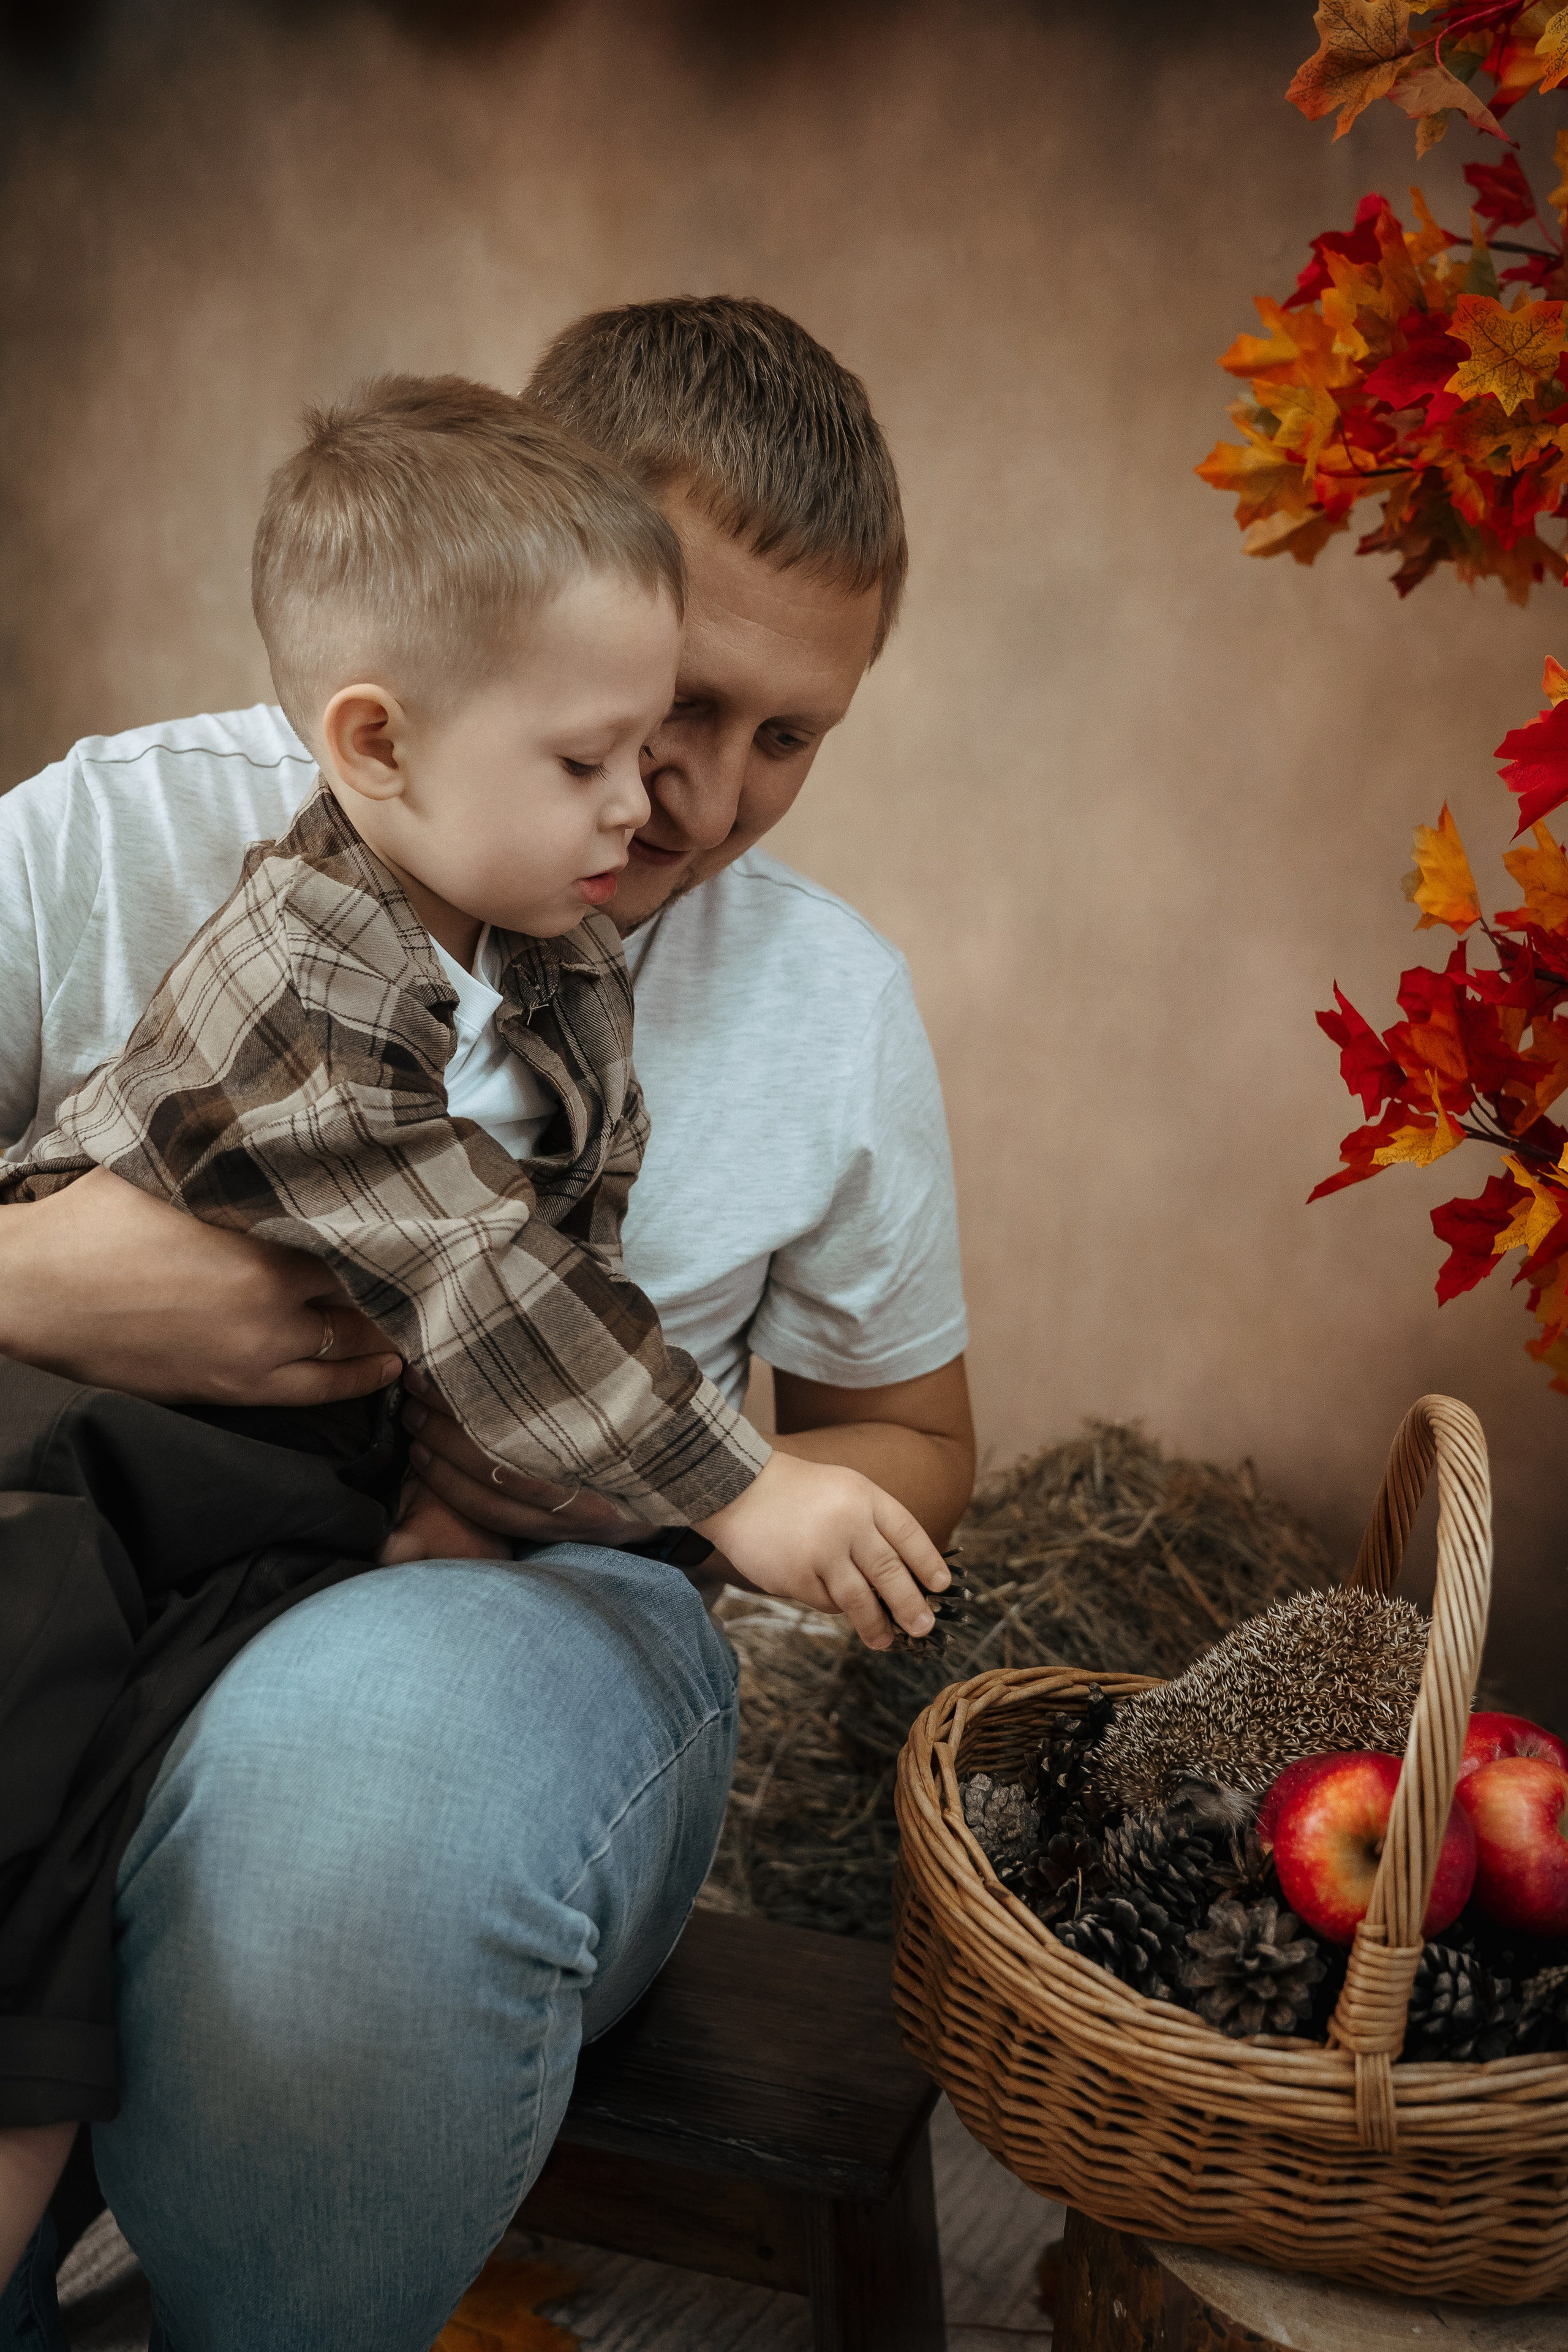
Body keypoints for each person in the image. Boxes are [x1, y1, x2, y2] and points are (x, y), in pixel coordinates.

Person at [0, 296, 974, 2351]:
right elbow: (429, 1233)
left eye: (787, 736)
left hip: (513, 1599)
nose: (695, 800)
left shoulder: (821, 1000)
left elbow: (903, 1438)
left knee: (356, 1836)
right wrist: (28, 1276)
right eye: (663, 709)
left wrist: (642, 1492)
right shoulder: (133, 839)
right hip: (101, 1526)